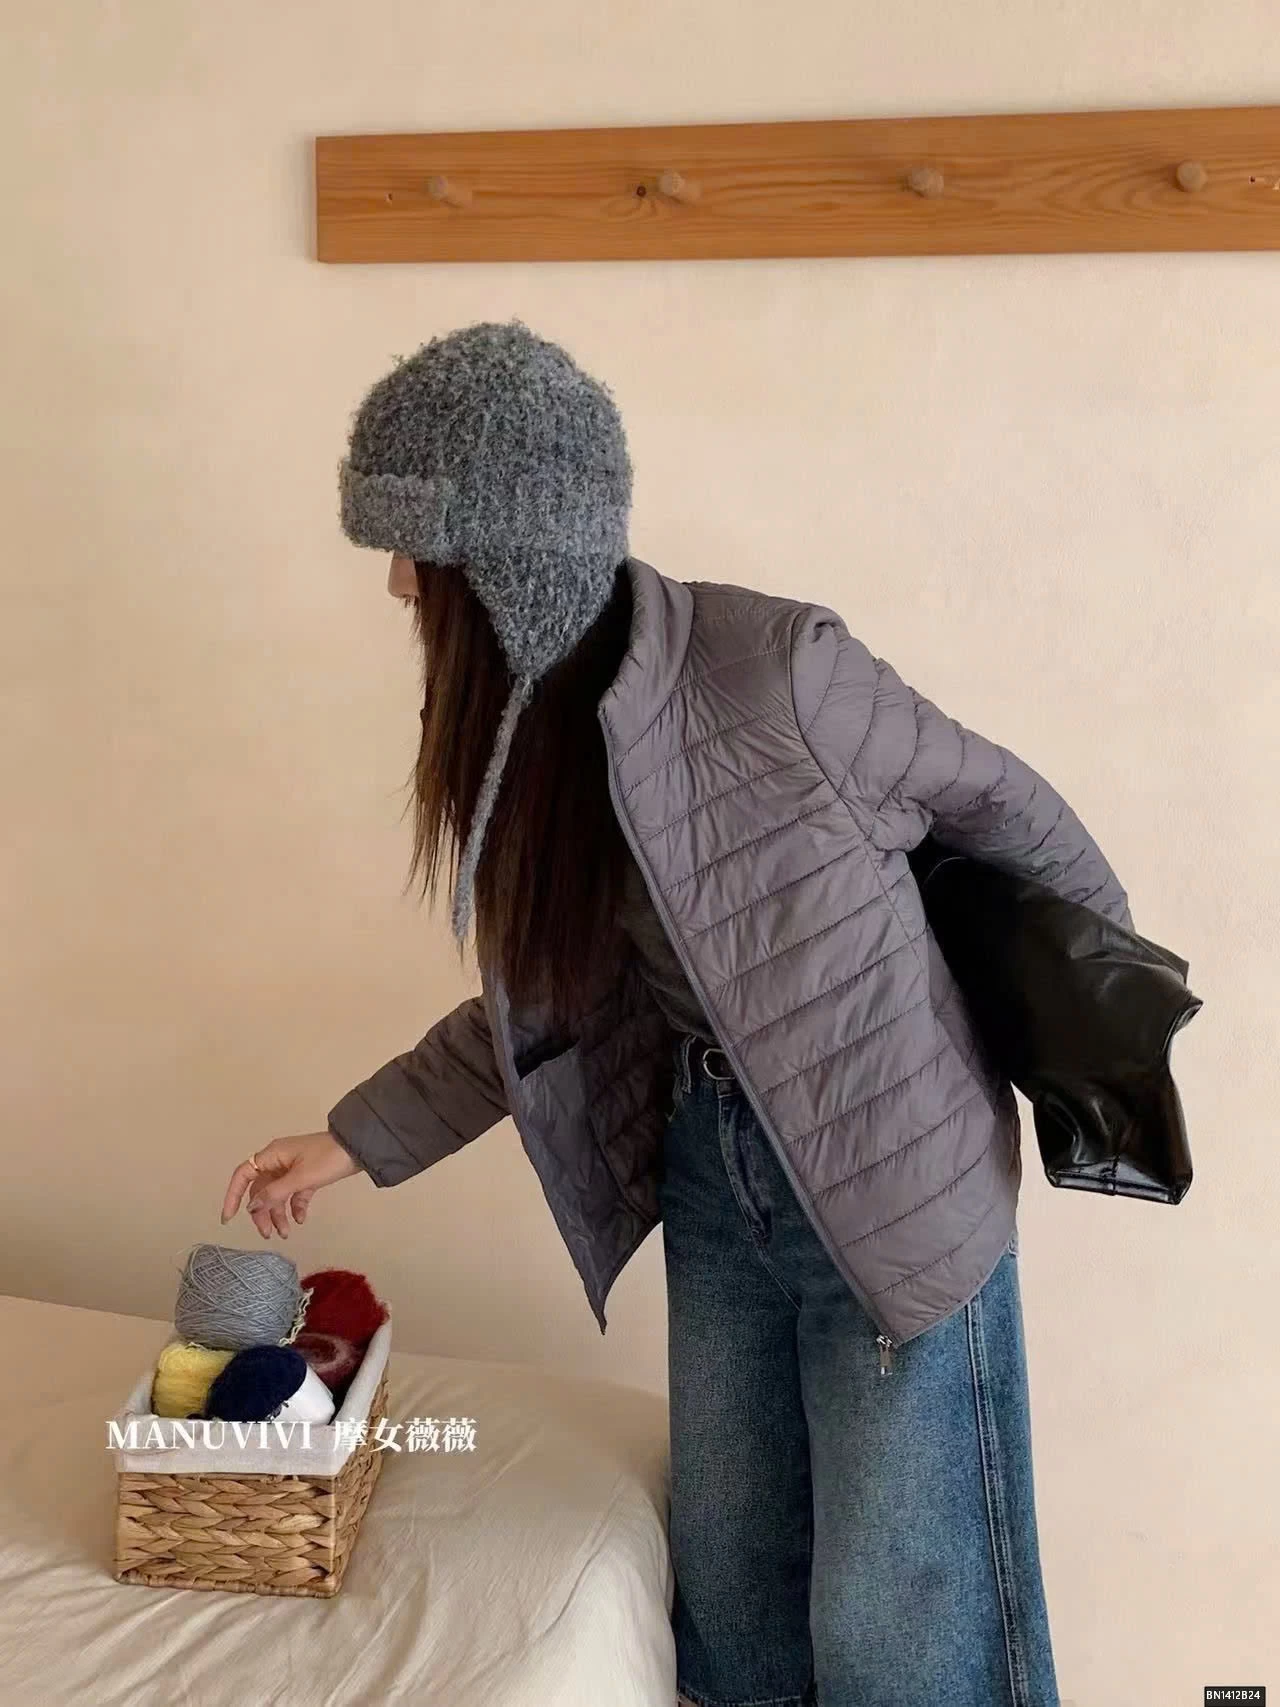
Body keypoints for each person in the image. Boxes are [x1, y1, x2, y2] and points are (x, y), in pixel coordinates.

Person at [221, 319, 1130, 1707]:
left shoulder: (779, 669)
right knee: (737, 1608)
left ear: (514, 555)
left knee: (905, 1639)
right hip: (717, 1176)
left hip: (888, 1185)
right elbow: (539, 1011)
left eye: (418, 555)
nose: (398, 583)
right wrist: (352, 1138)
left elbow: (1020, 818)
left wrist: (1098, 1044)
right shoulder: (541, 746)